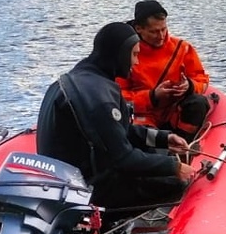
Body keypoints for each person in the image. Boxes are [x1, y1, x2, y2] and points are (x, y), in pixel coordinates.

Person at [37, 21, 194, 210]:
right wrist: (173, 167)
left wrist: (163, 138)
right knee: (178, 184)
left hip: (64, 179)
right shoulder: (99, 98)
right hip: (85, 190)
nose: (136, 63)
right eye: (135, 54)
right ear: (119, 54)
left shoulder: (83, 78)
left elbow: (119, 130)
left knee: (155, 157)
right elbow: (123, 159)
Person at [120, 0, 212, 139]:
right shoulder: (126, 54)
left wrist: (189, 86)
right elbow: (119, 97)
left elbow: (202, 79)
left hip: (173, 113)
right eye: (154, 32)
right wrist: (153, 96)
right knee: (139, 134)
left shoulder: (182, 48)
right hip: (144, 116)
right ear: (139, 28)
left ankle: (183, 146)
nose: (161, 36)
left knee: (198, 103)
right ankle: (161, 151)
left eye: (164, 29)